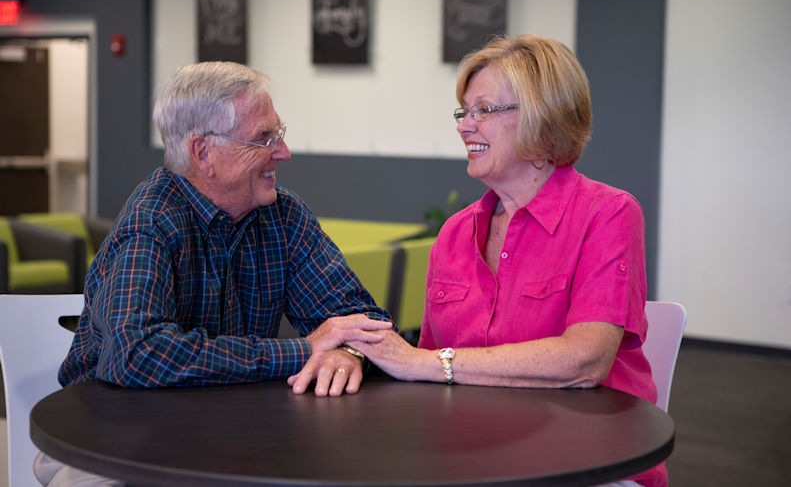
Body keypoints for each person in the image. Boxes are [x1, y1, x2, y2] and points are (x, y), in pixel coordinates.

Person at [36, 61, 392, 486]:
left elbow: (362, 319)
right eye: (264, 138)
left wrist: (346, 352)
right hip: (105, 439)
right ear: (203, 153)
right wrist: (304, 350)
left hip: (227, 432)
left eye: (279, 133)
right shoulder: (151, 222)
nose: (283, 151)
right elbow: (135, 355)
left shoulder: (283, 217)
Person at [349, 34, 665, 487]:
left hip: (588, 461)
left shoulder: (608, 214)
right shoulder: (456, 233)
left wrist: (430, 365)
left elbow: (584, 362)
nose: (464, 126)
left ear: (542, 117)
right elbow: (426, 370)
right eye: (464, 112)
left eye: (484, 110)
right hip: (475, 455)